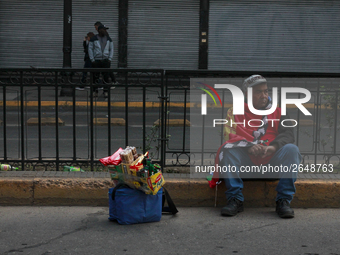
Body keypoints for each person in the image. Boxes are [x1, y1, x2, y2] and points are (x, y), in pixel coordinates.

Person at [209, 74, 301, 218]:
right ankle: (235, 200)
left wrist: (273, 147)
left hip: (272, 162)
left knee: (292, 150)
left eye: (265, 91)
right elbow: (229, 135)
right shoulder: (234, 111)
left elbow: (288, 134)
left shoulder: (278, 111)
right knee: (227, 151)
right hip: (246, 164)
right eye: (258, 92)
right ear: (247, 94)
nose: (264, 95)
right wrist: (247, 146)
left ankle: (283, 200)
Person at [88, 24, 114, 98]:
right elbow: (90, 49)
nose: (105, 31)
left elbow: (111, 49)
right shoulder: (94, 38)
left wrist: (110, 59)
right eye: (104, 29)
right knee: (95, 77)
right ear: (100, 30)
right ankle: (94, 92)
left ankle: (105, 91)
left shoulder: (108, 39)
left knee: (106, 77)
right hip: (96, 60)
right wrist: (92, 59)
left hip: (105, 60)